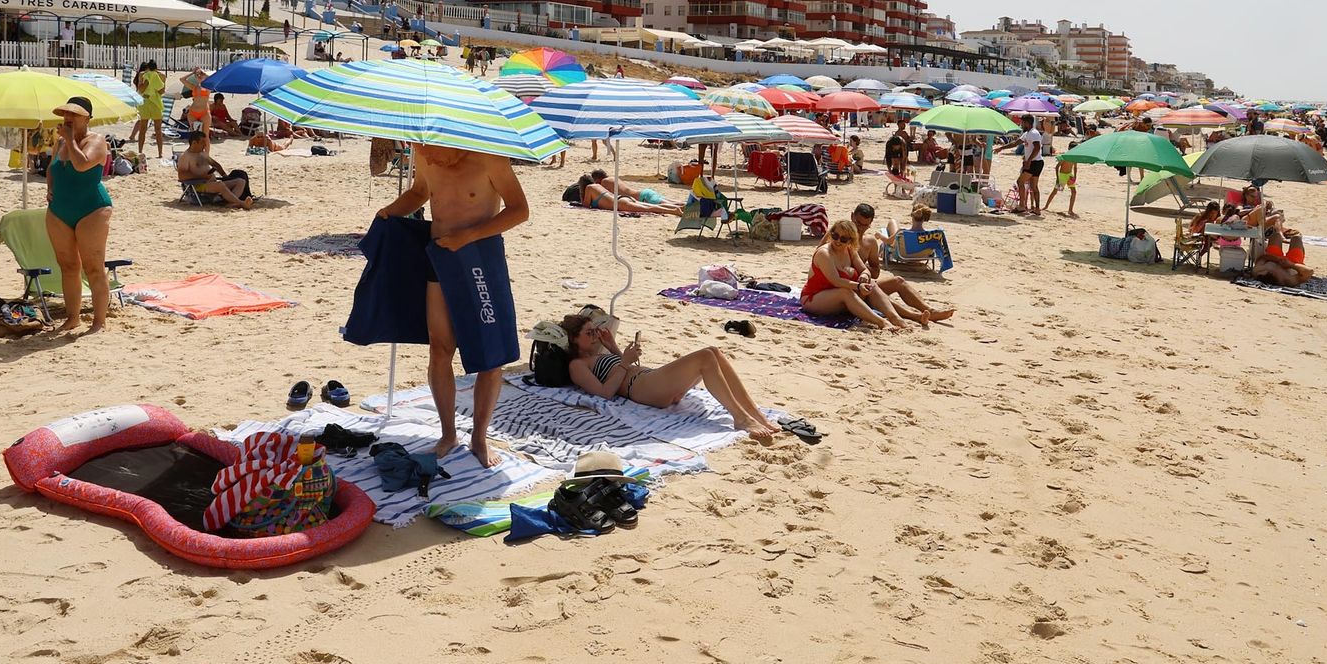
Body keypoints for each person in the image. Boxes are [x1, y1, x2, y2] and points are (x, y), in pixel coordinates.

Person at [377, 145, 531, 467]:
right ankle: (448, 434)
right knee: (439, 347)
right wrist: (391, 210)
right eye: (423, 152)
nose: (428, 160)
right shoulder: (424, 151)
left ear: (452, 140)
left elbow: (519, 210)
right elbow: (420, 191)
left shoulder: (490, 156)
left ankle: (479, 436)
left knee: (491, 354)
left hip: (480, 257)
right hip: (439, 256)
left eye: (433, 153)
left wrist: (470, 235)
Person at [560, 309, 779, 441]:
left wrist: (614, 347)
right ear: (573, 340)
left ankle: (753, 413)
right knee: (704, 357)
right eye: (589, 333)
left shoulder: (598, 352)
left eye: (595, 330)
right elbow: (605, 393)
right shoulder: (577, 365)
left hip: (648, 380)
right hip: (641, 387)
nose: (595, 336)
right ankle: (740, 418)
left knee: (714, 352)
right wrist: (624, 361)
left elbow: (619, 368)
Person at [46, 97, 115, 333]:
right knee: (67, 265)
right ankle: (72, 317)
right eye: (66, 113)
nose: (68, 118)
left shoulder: (97, 140)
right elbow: (51, 168)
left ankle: (98, 321)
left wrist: (69, 140)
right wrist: (50, 189)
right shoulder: (61, 142)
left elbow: (82, 164)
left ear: (87, 118)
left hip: (91, 209)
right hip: (59, 210)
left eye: (74, 114)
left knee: (94, 266)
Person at [801, 220, 929, 331]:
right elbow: (836, 281)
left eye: (843, 239)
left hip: (845, 293)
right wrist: (859, 285)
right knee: (846, 292)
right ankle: (883, 322)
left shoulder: (851, 250)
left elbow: (868, 270)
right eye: (835, 236)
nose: (838, 241)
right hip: (815, 297)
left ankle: (900, 317)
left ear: (850, 241)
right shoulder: (824, 253)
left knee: (874, 284)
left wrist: (864, 277)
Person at [837, 204, 954, 323]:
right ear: (852, 217)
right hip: (844, 286)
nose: (860, 228)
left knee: (898, 281)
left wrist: (863, 270)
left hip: (863, 283)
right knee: (876, 290)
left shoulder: (870, 242)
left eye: (865, 225)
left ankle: (929, 310)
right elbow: (820, 258)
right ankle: (914, 316)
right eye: (857, 223)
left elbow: (876, 271)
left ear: (870, 224)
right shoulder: (838, 237)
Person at [176, 131, 254, 208]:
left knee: (240, 181)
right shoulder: (185, 157)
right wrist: (201, 176)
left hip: (211, 182)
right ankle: (241, 203)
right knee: (220, 185)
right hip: (198, 186)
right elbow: (182, 176)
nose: (205, 144)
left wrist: (224, 175)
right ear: (194, 143)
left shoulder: (202, 154)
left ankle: (232, 202)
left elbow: (215, 164)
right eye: (202, 142)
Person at [576, 175, 683, 216]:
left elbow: (586, 206)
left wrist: (582, 196)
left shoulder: (589, 188)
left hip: (620, 203)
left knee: (650, 208)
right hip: (623, 199)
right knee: (650, 206)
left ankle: (673, 210)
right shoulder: (598, 186)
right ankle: (675, 208)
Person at [129, 60, 167, 159]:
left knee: (143, 129)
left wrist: (148, 81)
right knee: (158, 129)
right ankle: (160, 153)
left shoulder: (142, 74)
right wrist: (154, 83)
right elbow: (162, 91)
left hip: (145, 102)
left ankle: (140, 151)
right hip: (156, 103)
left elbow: (140, 89)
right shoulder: (162, 76)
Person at [1014, 114, 1045, 216]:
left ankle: (1022, 205)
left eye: (1022, 123)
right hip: (1037, 162)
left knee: (1020, 181)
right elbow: (1016, 143)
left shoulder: (1034, 133)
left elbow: (1037, 147)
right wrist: (1001, 148)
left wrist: (1029, 160)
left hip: (1034, 162)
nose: (1021, 124)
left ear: (1027, 123)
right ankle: (1037, 209)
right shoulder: (1027, 134)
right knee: (1033, 186)